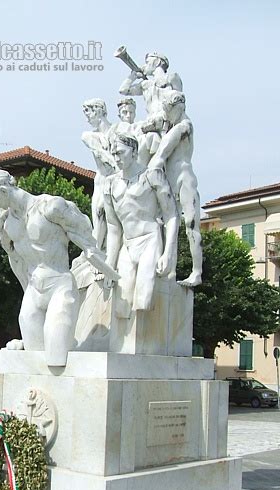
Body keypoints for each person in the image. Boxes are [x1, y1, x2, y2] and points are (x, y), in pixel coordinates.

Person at [0, 169, 118, 366]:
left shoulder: (50, 206)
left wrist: (107, 269)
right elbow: (17, 261)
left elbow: (87, 237)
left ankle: (80, 344)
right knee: (33, 363)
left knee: (56, 358)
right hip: (34, 292)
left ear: (3, 191)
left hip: (59, 286)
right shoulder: (5, 222)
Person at [103, 134, 179, 317]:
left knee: (143, 301)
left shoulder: (152, 176)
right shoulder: (110, 184)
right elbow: (113, 228)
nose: (117, 158)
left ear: (134, 151)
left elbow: (171, 215)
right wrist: (108, 266)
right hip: (127, 245)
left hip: (149, 240)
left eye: (121, 153)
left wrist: (168, 253)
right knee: (121, 307)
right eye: (114, 154)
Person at [148, 90, 202, 287]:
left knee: (190, 224)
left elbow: (162, 152)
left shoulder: (184, 126)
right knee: (166, 222)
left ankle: (197, 272)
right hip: (170, 180)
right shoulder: (174, 126)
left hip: (183, 178)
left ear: (177, 107)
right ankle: (165, 267)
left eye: (167, 109)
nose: (165, 113)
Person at [81, 98, 116, 249]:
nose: (87, 117)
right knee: (100, 215)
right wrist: (117, 166)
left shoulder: (117, 130)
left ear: (98, 110)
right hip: (102, 182)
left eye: (88, 112)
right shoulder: (89, 135)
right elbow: (100, 153)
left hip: (118, 180)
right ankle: (96, 255)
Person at [119, 51, 182, 121]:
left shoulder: (172, 78)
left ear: (157, 62)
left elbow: (179, 101)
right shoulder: (145, 84)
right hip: (151, 121)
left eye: (147, 62)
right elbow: (123, 90)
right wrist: (132, 77)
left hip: (168, 119)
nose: (144, 66)